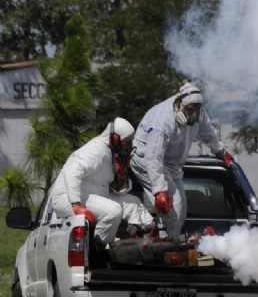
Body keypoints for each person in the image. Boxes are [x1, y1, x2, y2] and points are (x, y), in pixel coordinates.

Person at [130, 82, 232, 241]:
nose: (193, 114)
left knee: (181, 206)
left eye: (197, 109)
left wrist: (220, 151)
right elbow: (153, 156)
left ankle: (167, 239)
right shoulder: (163, 119)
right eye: (190, 110)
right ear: (179, 104)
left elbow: (208, 133)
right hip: (146, 160)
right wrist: (159, 190)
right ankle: (168, 243)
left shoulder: (200, 113)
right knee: (174, 203)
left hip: (172, 164)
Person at [50, 117, 154, 246]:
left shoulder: (109, 153)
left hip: (93, 195)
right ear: (115, 139)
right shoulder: (96, 150)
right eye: (127, 142)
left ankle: (146, 238)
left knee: (133, 203)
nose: (128, 147)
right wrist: (77, 206)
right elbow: (72, 171)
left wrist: (122, 174)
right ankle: (97, 250)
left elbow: (114, 188)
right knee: (113, 211)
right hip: (67, 199)